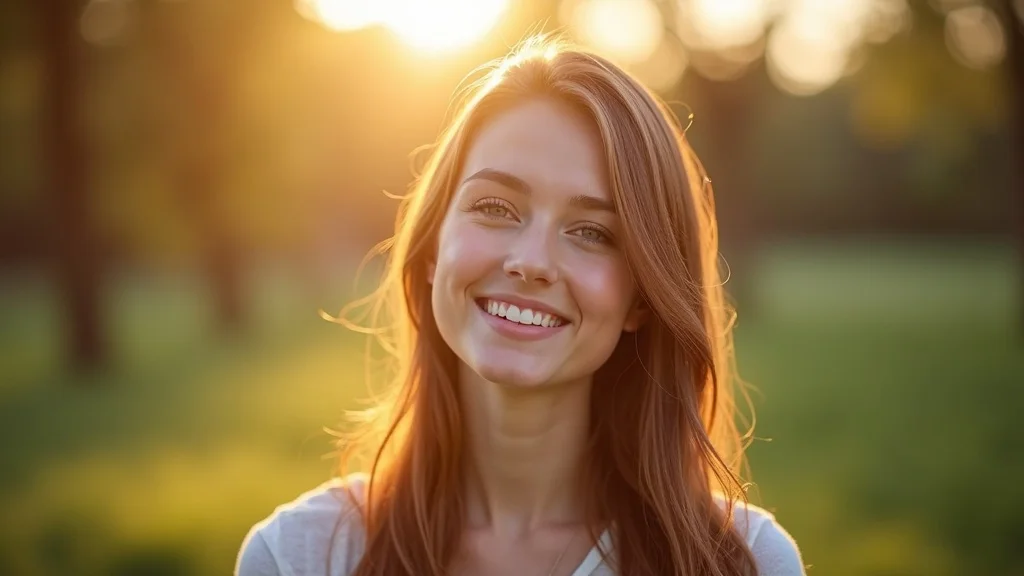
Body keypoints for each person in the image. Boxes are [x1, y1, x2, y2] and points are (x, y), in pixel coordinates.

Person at [236, 36, 805, 576]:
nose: (531, 262)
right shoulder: (297, 558)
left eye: (591, 232)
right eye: (496, 207)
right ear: (434, 246)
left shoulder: (743, 563)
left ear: (641, 299)